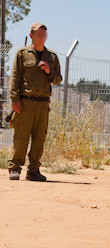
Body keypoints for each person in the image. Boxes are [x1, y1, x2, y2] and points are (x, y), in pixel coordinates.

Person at [8, 22, 62, 181]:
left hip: (43, 103)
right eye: (39, 34)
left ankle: (33, 171)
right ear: (31, 35)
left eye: (44, 34)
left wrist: (49, 71)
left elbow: (58, 79)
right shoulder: (22, 54)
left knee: (39, 138)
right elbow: (15, 78)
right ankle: (15, 168)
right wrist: (14, 99)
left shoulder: (52, 57)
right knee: (21, 136)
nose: (42, 37)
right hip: (25, 102)